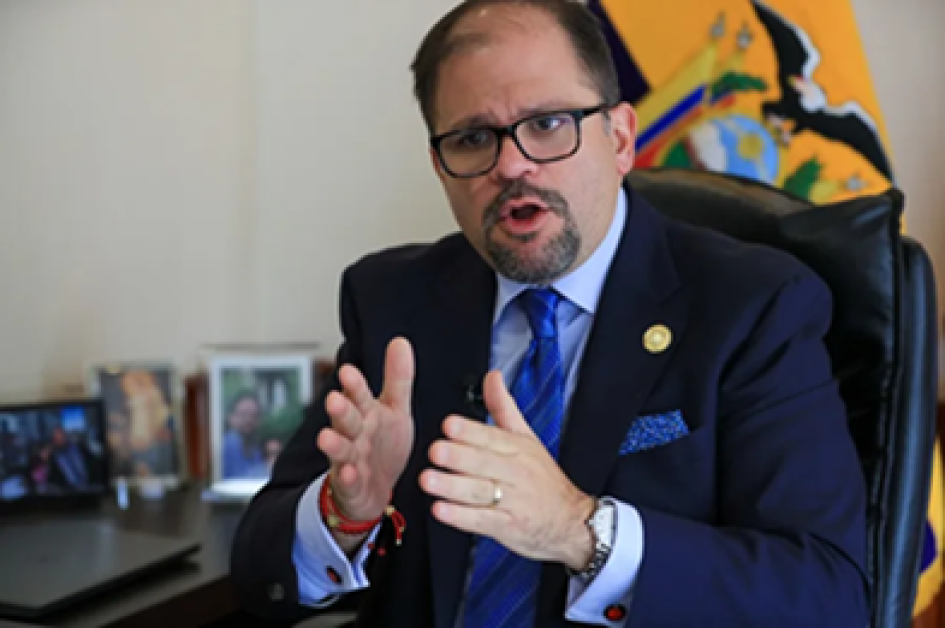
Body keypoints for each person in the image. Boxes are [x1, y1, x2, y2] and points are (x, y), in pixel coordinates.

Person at [231, 1, 868, 626]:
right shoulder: (395, 300)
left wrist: (579, 531)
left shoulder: (753, 306)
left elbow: (825, 595)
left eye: (547, 123)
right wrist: (347, 514)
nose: (511, 165)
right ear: (440, 167)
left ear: (619, 138)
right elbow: (260, 574)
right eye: (473, 138)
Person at [221, 392, 268, 479]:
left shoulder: (253, 445)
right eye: (243, 414)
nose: (249, 420)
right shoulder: (229, 444)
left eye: (254, 416)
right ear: (231, 417)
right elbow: (240, 479)